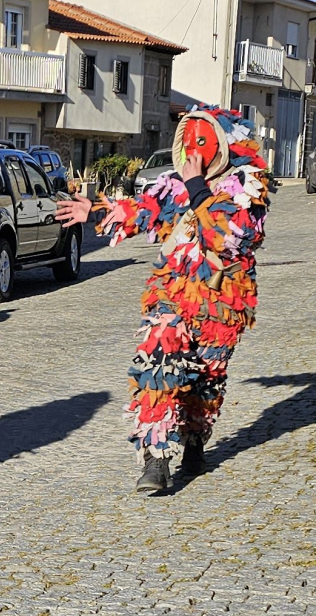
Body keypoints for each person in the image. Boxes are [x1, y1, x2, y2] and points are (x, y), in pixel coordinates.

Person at [55, 106, 271, 492]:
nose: (192, 153)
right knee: (158, 364)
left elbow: (228, 236)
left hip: (221, 303)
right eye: (188, 142)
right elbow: (144, 211)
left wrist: (198, 189)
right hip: (171, 294)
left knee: (206, 380)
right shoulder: (174, 185)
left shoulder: (248, 187)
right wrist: (96, 212)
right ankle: (156, 460)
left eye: (202, 143)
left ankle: (194, 443)